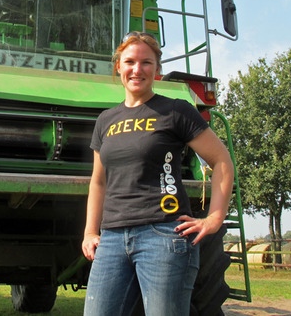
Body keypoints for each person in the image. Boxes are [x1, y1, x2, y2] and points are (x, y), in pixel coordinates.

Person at [82, 31, 234, 316]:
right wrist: (90, 231)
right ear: (118, 67)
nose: (137, 69)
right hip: (112, 238)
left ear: (157, 70)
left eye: (146, 62)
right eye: (130, 62)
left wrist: (214, 218)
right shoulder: (106, 120)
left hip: (163, 236)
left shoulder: (175, 111)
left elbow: (221, 160)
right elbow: (99, 182)